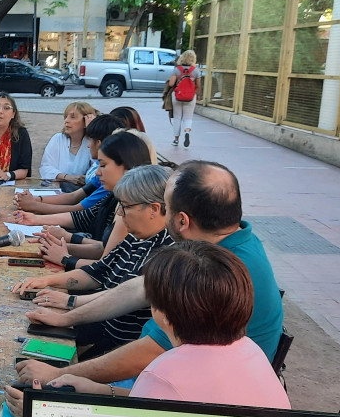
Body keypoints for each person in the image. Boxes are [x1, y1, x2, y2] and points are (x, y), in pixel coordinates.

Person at [15, 161, 285, 392]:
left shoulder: (209, 272)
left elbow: (151, 353)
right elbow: (137, 288)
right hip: (174, 376)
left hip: (182, 390)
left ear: (181, 221)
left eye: (166, 207)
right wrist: (68, 313)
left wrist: (58, 375)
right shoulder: (232, 241)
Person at [37, 241, 291, 409]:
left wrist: (39, 412)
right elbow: (169, 406)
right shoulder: (249, 349)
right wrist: (99, 390)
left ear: (162, 315)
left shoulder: (164, 372)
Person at [15, 165, 174, 359]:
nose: (121, 214)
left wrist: (69, 304)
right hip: (102, 330)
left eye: (126, 207)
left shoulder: (167, 252)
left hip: (119, 347)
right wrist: (48, 281)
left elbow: (120, 297)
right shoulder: (138, 236)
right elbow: (99, 271)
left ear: (154, 209)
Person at [13, 131, 153, 265]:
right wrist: (36, 218)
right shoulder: (114, 196)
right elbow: (84, 217)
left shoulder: (131, 209)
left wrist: (65, 256)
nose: (97, 172)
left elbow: (104, 265)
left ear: (126, 166)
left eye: (103, 165)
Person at [15, 115, 125, 215]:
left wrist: (35, 206)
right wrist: (35, 200)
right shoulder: (103, 172)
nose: (88, 146)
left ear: (99, 143)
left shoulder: (109, 181)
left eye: (90, 141)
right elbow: (74, 196)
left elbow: (78, 210)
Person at [38, 102, 96, 192]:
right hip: (56, 189)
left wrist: (93, 130)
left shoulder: (91, 143)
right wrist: (68, 177)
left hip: (82, 194)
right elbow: (45, 168)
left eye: (73, 117)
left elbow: (97, 169)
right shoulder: (58, 139)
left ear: (86, 121)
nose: (66, 121)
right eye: (66, 117)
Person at [168, 50, 199, 147]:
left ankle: (176, 140)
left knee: (177, 117)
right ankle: (187, 132)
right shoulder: (195, 70)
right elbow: (198, 85)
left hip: (177, 95)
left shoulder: (177, 69)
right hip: (190, 96)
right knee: (188, 117)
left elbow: (171, 84)